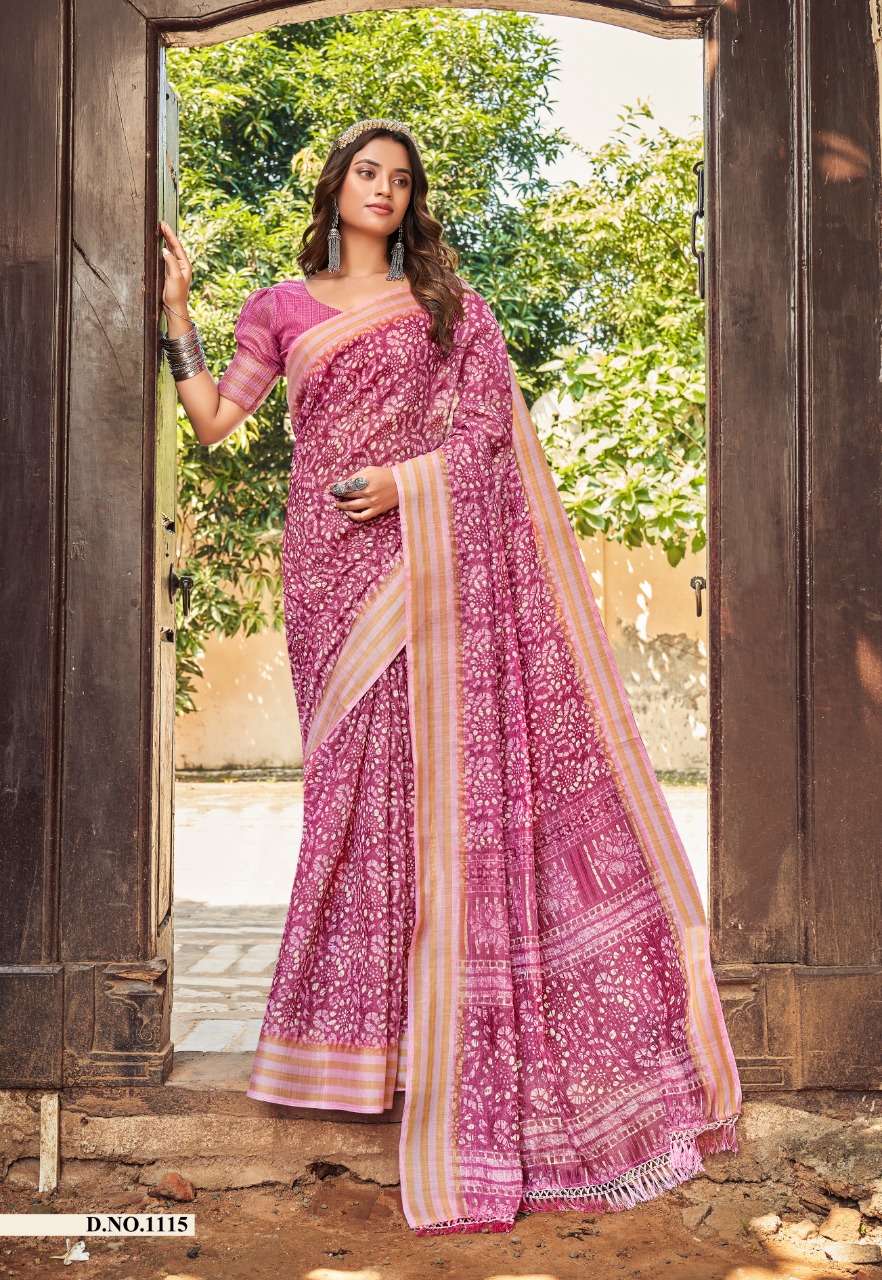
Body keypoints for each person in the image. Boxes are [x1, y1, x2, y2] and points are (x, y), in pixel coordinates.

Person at [159, 116, 741, 1238]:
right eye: (365, 171)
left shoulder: (449, 309)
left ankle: (423, 1045)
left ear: (411, 199)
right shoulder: (278, 308)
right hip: (330, 574)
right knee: (349, 796)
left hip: (424, 559)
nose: (382, 188)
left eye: (399, 177)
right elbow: (218, 420)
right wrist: (178, 318)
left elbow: (483, 442)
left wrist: (405, 482)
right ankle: (347, 1048)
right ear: (335, 187)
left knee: (430, 804)